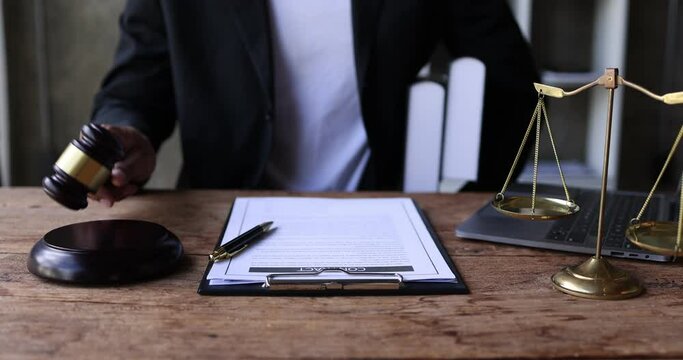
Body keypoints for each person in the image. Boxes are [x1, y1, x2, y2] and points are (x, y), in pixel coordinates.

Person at [91, 0, 538, 206]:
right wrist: (126, 137)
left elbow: (513, 81)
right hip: (222, 220)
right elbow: (136, 83)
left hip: (383, 217)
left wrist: (473, 200)